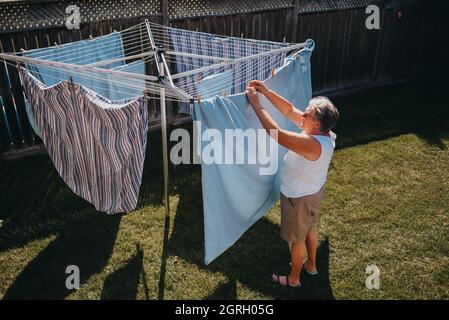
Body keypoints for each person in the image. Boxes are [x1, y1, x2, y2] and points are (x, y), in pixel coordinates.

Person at [246, 80, 339, 288]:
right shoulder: (323, 133)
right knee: (309, 230)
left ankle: (294, 279)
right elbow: (288, 110)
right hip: (313, 193)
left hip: (298, 198)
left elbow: (275, 133)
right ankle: (311, 266)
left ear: (316, 123)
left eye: (307, 114)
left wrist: (256, 104)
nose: (302, 115)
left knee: (297, 240)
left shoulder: (311, 143)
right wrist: (266, 91)